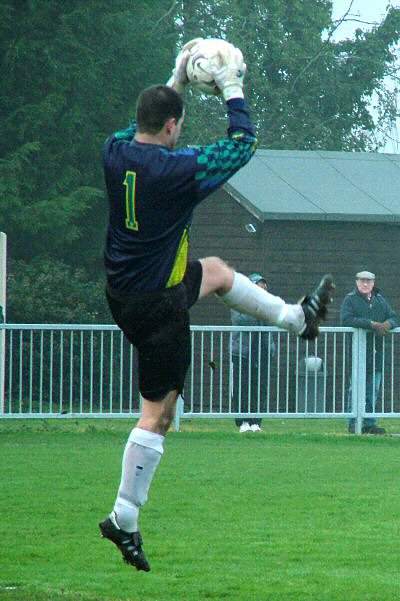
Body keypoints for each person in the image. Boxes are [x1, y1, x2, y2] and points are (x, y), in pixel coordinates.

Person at [99, 38, 335, 572]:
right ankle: (123, 519)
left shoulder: (115, 150)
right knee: (157, 417)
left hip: (131, 286)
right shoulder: (175, 172)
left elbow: (151, 121)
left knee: (221, 273)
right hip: (155, 304)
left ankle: (296, 319)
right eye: (177, 123)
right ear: (171, 128)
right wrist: (230, 86)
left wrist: (177, 80)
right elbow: (241, 144)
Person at [340, 270, 398, 434]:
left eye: (368, 281)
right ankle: (353, 423)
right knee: (356, 390)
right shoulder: (350, 300)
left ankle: (369, 423)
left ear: (373, 283)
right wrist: (371, 324)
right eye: (362, 281)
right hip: (358, 353)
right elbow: (346, 319)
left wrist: (387, 324)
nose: (365, 284)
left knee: (373, 390)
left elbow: (394, 317)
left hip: (377, 353)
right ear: (357, 282)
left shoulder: (380, 300)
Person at [231, 273, 276, 432]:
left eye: (264, 285)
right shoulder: (238, 300)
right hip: (243, 352)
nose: (262, 288)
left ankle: (256, 422)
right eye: (259, 284)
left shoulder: (268, 302)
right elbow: (242, 320)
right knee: (242, 385)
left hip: (262, 349)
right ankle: (243, 422)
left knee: (260, 386)